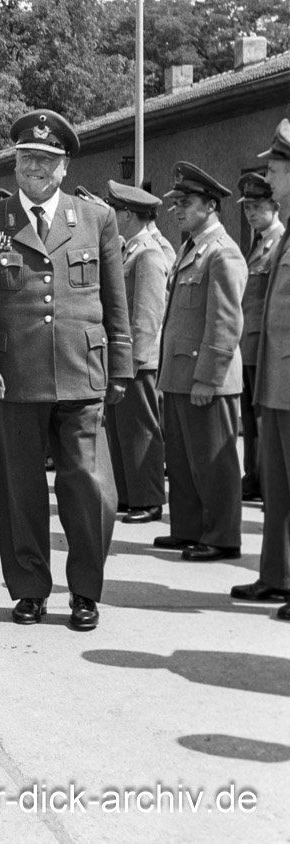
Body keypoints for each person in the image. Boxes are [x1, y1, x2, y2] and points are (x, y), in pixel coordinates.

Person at [0, 109, 132, 631]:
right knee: (17, 490)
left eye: (47, 159)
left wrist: (120, 366)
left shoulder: (96, 219)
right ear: (15, 163)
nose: (35, 167)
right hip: (13, 376)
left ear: (64, 166)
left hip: (83, 372)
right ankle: (29, 589)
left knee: (89, 488)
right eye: (27, 158)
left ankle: (86, 592)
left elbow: (114, 301)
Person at [153, 163, 247, 561]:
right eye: (175, 203)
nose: (177, 210)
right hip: (179, 373)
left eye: (186, 203)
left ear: (210, 206)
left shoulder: (223, 253)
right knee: (182, 459)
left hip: (206, 375)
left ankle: (222, 536)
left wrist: (209, 377)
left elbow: (225, 321)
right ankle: (189, 528)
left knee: (214, 461)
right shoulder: (190, 249)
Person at [232, 119, 290, 619]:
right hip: (274, 379)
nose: (269, 174)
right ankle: (277, 575)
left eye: (275, 165)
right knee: (277, 486)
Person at [103, 180, 169, 523]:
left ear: (128, 214)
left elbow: (146, 317)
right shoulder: (131, 250)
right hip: (124, 361)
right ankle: (129, 495)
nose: (111, 215)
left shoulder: (148, 255)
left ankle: (149, 498)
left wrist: (132, 363)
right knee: (122, 431)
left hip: (139, 363)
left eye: (114, 209)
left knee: (141, 429)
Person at [236, 171, 283, 504]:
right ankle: (253, 476)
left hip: (265, 347)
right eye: (247, 207)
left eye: (257, 206)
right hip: (247, 346)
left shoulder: (279, 242)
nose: (250, 213)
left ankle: (268, 481)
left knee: (266, 421)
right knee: (250, 420)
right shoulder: (258, 243)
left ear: (274, 205)